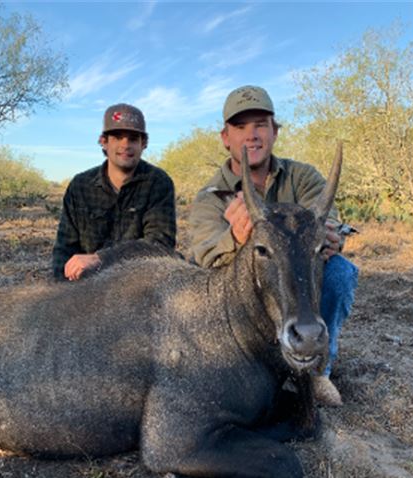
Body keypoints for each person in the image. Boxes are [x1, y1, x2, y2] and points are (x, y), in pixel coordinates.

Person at [188, 85, 358, 406]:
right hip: (240, 298)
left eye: (260, 125)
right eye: (241, 127)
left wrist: (328, 237)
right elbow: (204, 255)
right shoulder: (211, 196)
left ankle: (316, 371)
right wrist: (237, 239)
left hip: (296, 287)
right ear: (225, 137)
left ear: (275, 132)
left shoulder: (303, 177)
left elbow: (329, 223)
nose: (251, 135)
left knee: (340, 272)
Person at [52, 103, 176, 281]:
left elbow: (160, 245)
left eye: (133, 139)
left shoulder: (159, 182)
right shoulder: (80, 185)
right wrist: (61, 288)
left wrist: (101, 258)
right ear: (104, 142)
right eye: (117, 137)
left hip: (140, 282)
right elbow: (64, 248)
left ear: (143, 144)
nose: (125, 144)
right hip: (87, 286)